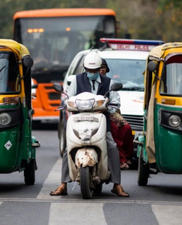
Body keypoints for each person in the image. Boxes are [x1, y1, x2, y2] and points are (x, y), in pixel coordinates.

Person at [50, 52, 129, 197]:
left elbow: (115, 102)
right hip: (79, 120)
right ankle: (63, 184)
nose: (92, 73)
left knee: (112, 146)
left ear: (100, 69)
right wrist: (70, 105)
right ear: (85, 68)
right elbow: (69, 98)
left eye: (95, 71)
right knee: (69, 148)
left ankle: (117, 184)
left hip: (101, 121)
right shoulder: (76, 80)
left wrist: (107, 107)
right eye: (89, 70)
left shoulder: (108, 82)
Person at [100, 59, 134, 170]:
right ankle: (120, 159)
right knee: (113, 129)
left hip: (108, 113)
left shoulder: (109, 83)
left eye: (103, 68)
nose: (100, 70)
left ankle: (126, 156)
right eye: (97, 68)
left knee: (126, 128)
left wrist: (109, 109)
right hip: (91, 116)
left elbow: (115, 102)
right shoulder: (83, 82)